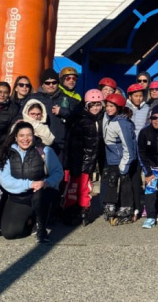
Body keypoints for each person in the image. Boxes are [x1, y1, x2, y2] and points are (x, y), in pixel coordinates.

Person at [0, 121, 63, 243]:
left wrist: (46, 182)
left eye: (29, 135)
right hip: (19, 198)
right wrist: (29, 184)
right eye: (21, 135)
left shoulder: (44, 151)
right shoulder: (6, 154)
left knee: (40, 194)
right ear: (15, 137)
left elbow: (58, 172)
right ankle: (30, 222)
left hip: (41, 195)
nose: (25, 139)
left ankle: (41, 229)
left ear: (34, 135)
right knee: (9, 233)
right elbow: (5, 180)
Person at [63, 89, 103, 226]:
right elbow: (75, 145)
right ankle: (72, 211)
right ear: (86, 106)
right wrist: (75, 164)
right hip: (79, 161)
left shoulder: (98, 119)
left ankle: (83, 210)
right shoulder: (81, 121)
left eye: (98, 104)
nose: (96, 108)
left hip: (89, 161)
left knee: (85, 188)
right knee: (75, 188)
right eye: (92, 105)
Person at [101, 93, 138, 225]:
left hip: (122, 158)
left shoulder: (122, 123)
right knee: (111, 181)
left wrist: (125, 164)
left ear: (119, 107)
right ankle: (110, 204)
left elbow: (129, 146)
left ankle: (126, 207)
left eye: (111, 106)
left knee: (124, 182)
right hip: (111, 158)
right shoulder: (108, 117)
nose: (108, 109)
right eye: (107, 106)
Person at [31, 69, 79, 158]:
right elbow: (21, 116)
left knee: (57, 171)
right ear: (42, 84)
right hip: (38, 144)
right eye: (47, 83)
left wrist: (63, 111)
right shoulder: (34, 98)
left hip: (59, 144)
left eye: (54, 82)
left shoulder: (66, 99)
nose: (51, 85)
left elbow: (77, 116)